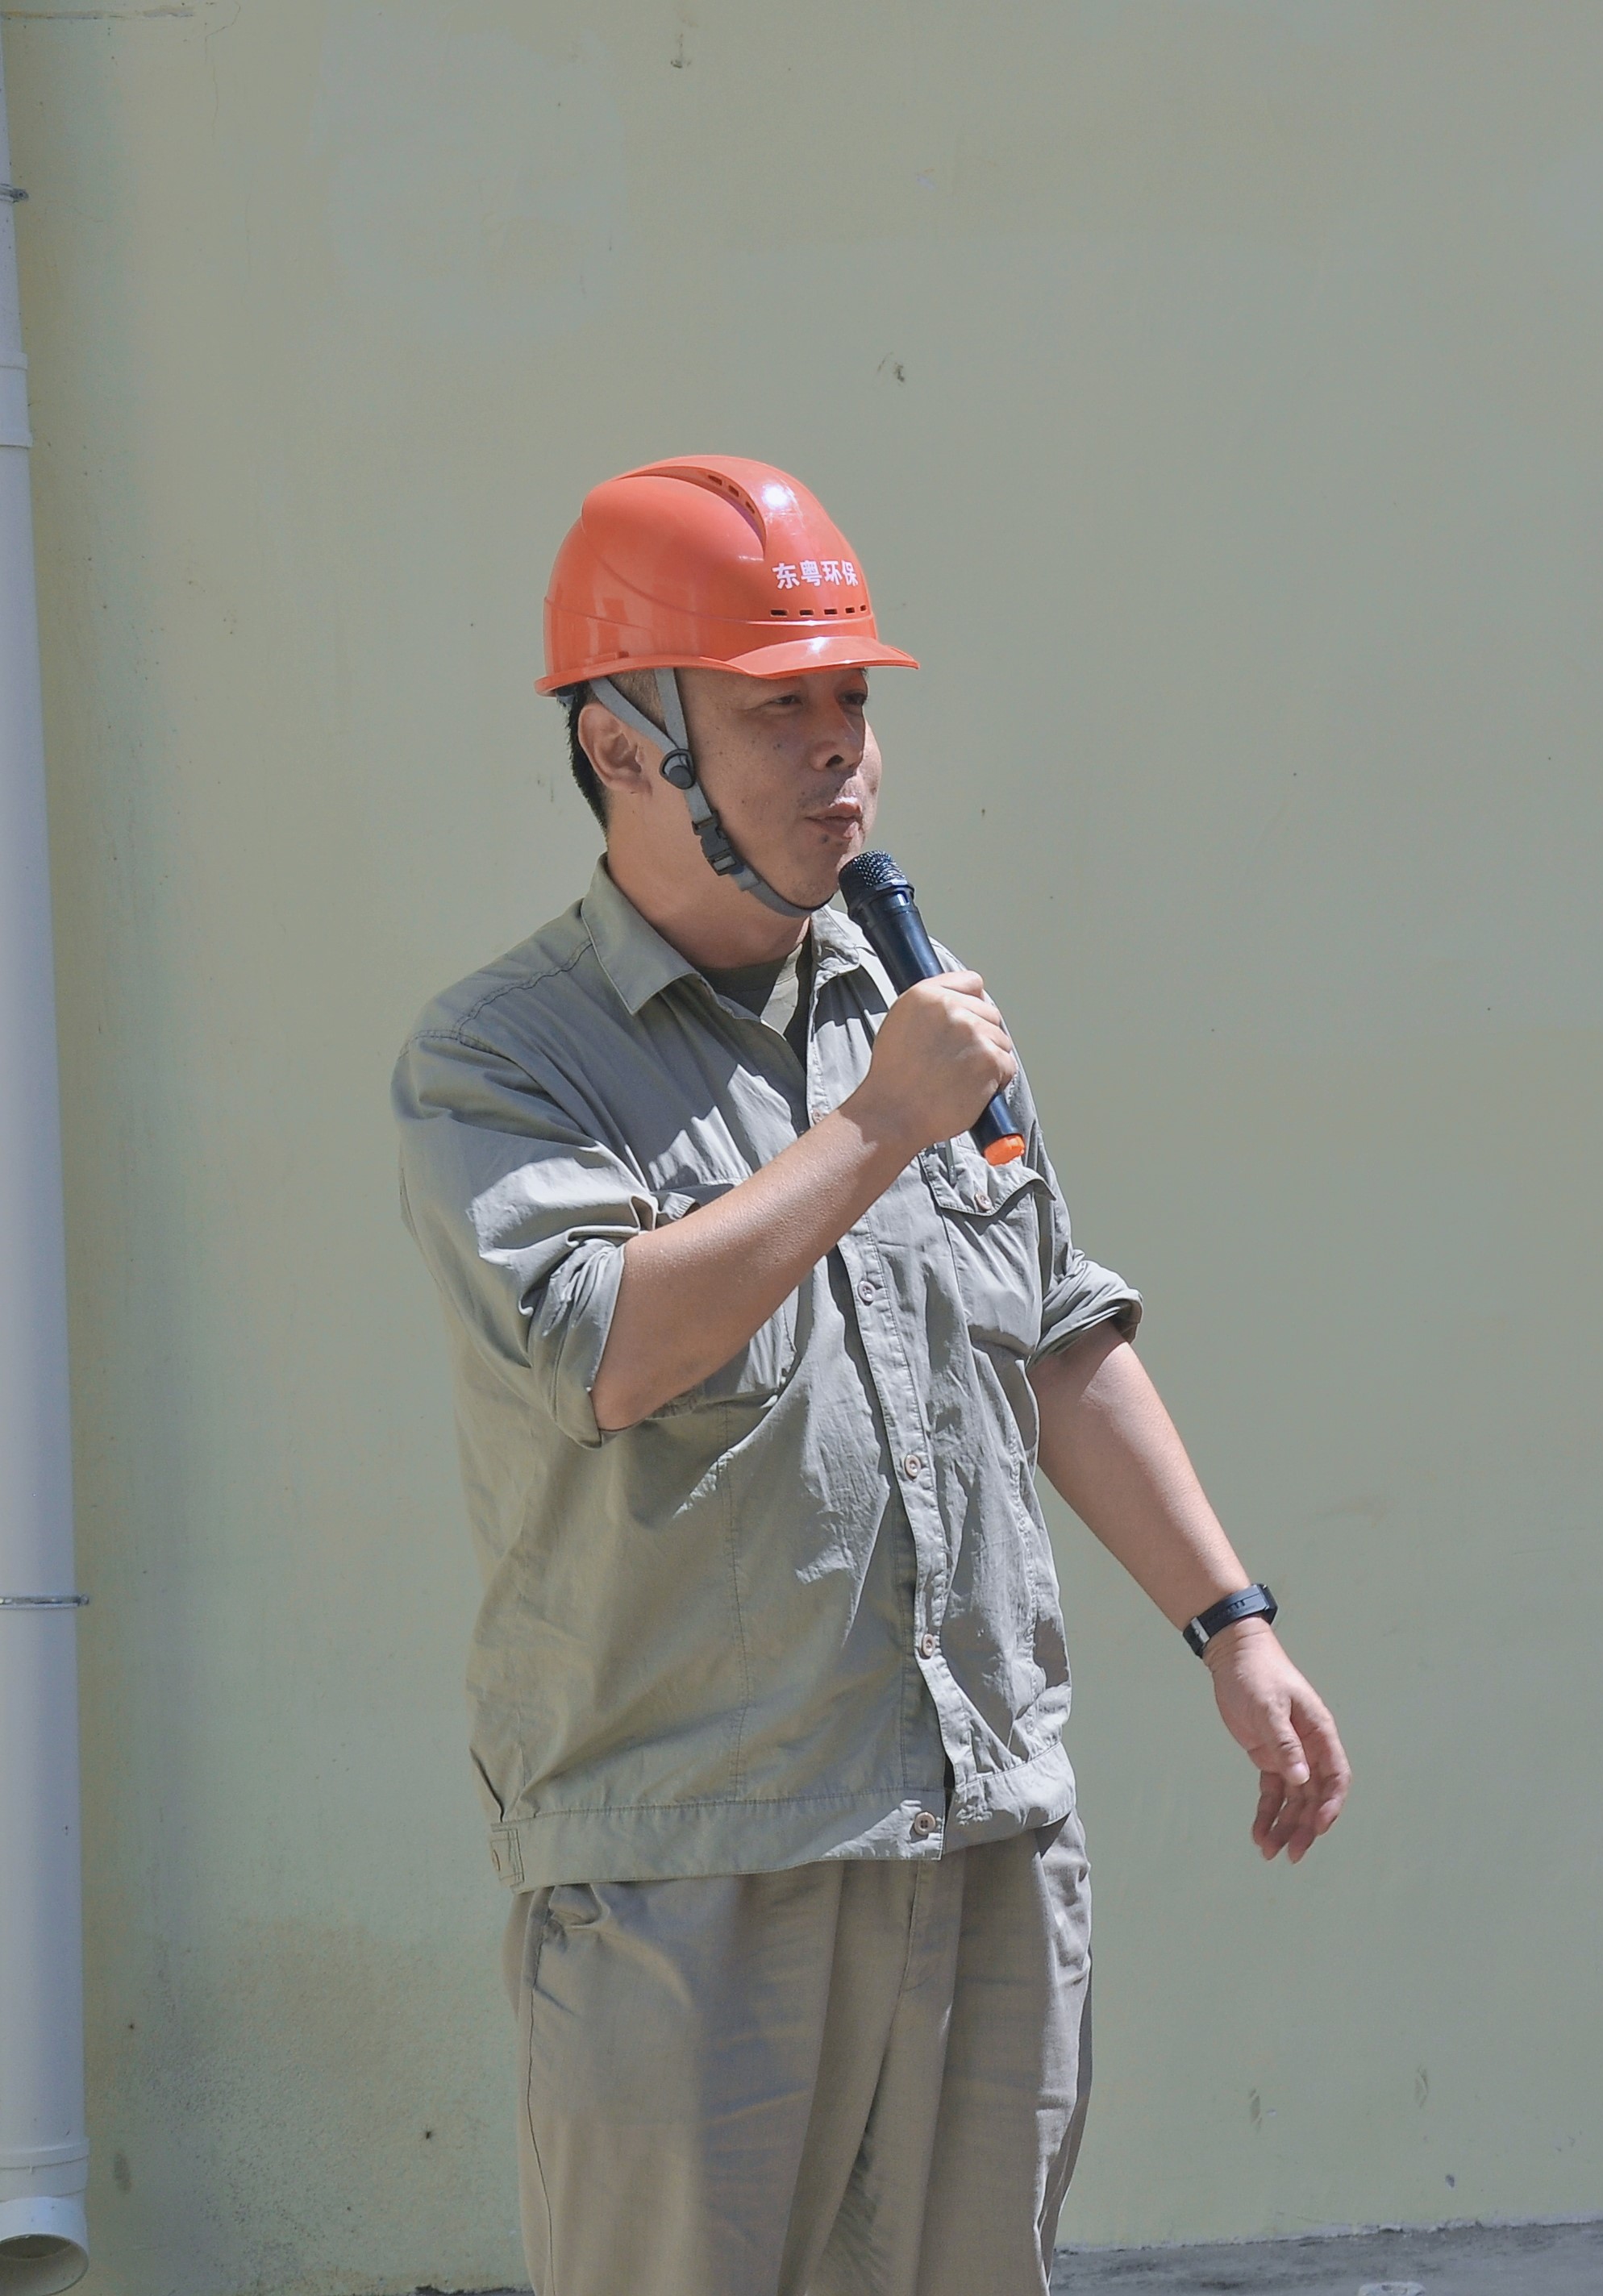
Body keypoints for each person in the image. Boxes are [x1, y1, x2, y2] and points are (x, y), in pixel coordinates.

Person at [393, 455, 1352, 2295]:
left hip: (979, 1829)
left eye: (851, 699)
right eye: (778, 708)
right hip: (697, 1868)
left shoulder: (912, 1009)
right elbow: (605, 1349)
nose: (841, 748)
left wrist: (1232, 1622)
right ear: (621, 746)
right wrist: (874, 1125)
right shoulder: (503, 1056)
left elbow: (1054, 1329)